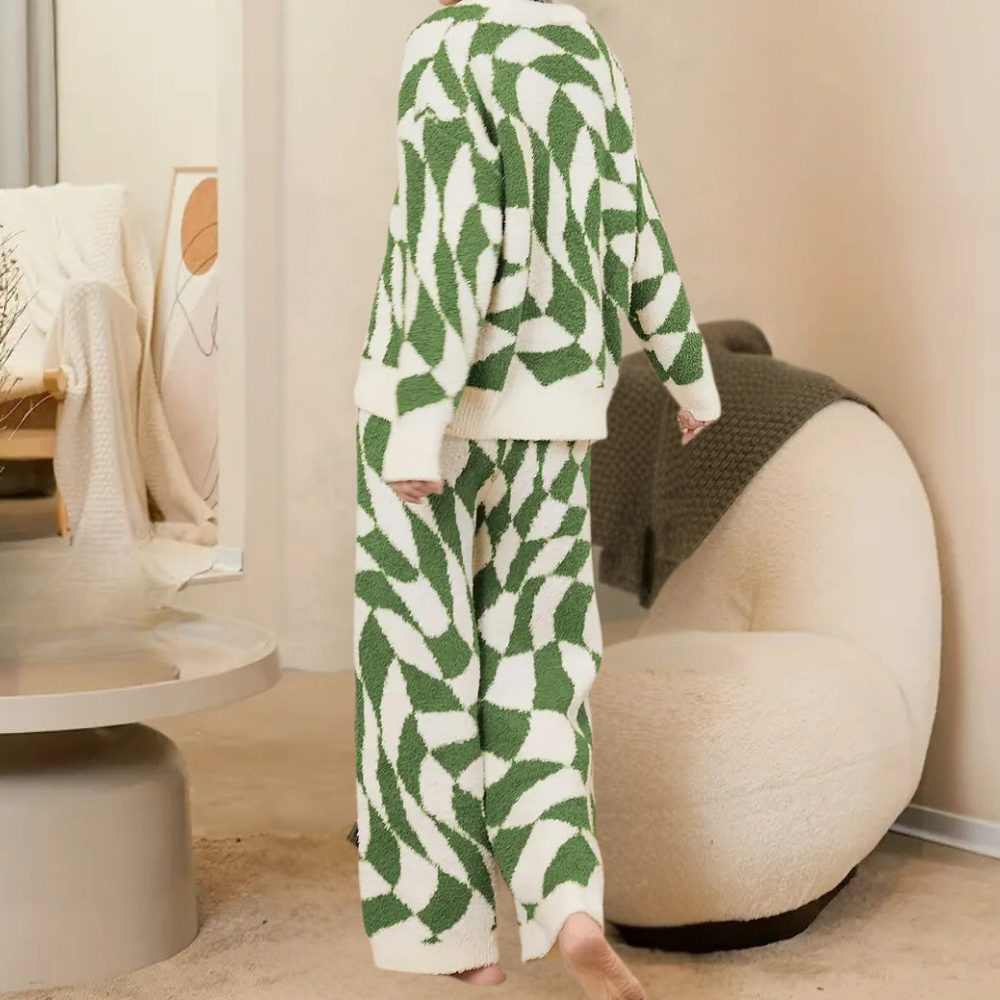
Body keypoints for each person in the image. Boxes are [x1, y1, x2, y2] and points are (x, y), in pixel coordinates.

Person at [352, 1, 721, 996]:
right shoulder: (585, 48)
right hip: (557, 414)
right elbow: (632, 217)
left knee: (416, 666)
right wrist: (689, 374)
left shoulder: (443, 47)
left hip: (433, 414)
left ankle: (452, 936)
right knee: (541, 666)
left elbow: (450, 231)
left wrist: (418, 417)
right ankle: (567, 900)